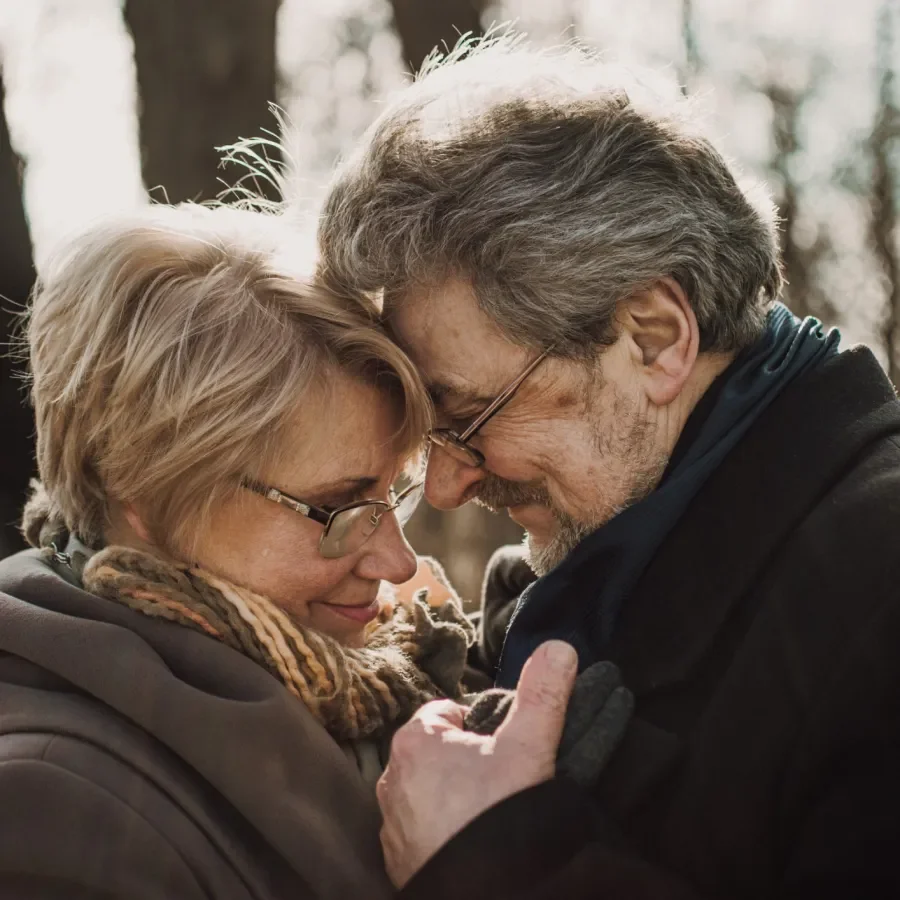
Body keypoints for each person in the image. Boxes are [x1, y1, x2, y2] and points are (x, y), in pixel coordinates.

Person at [317, 35, 900, 899]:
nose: (445, 486)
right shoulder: (572, 593)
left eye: (469, 416)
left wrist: (497, 862)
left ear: (654, 339)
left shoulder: (879, 595)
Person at [0, 202, 480, 899]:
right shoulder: (48, 811)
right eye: (341, 508)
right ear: (147, 490)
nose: (397, 564)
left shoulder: (373, 678)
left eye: (388, 496)